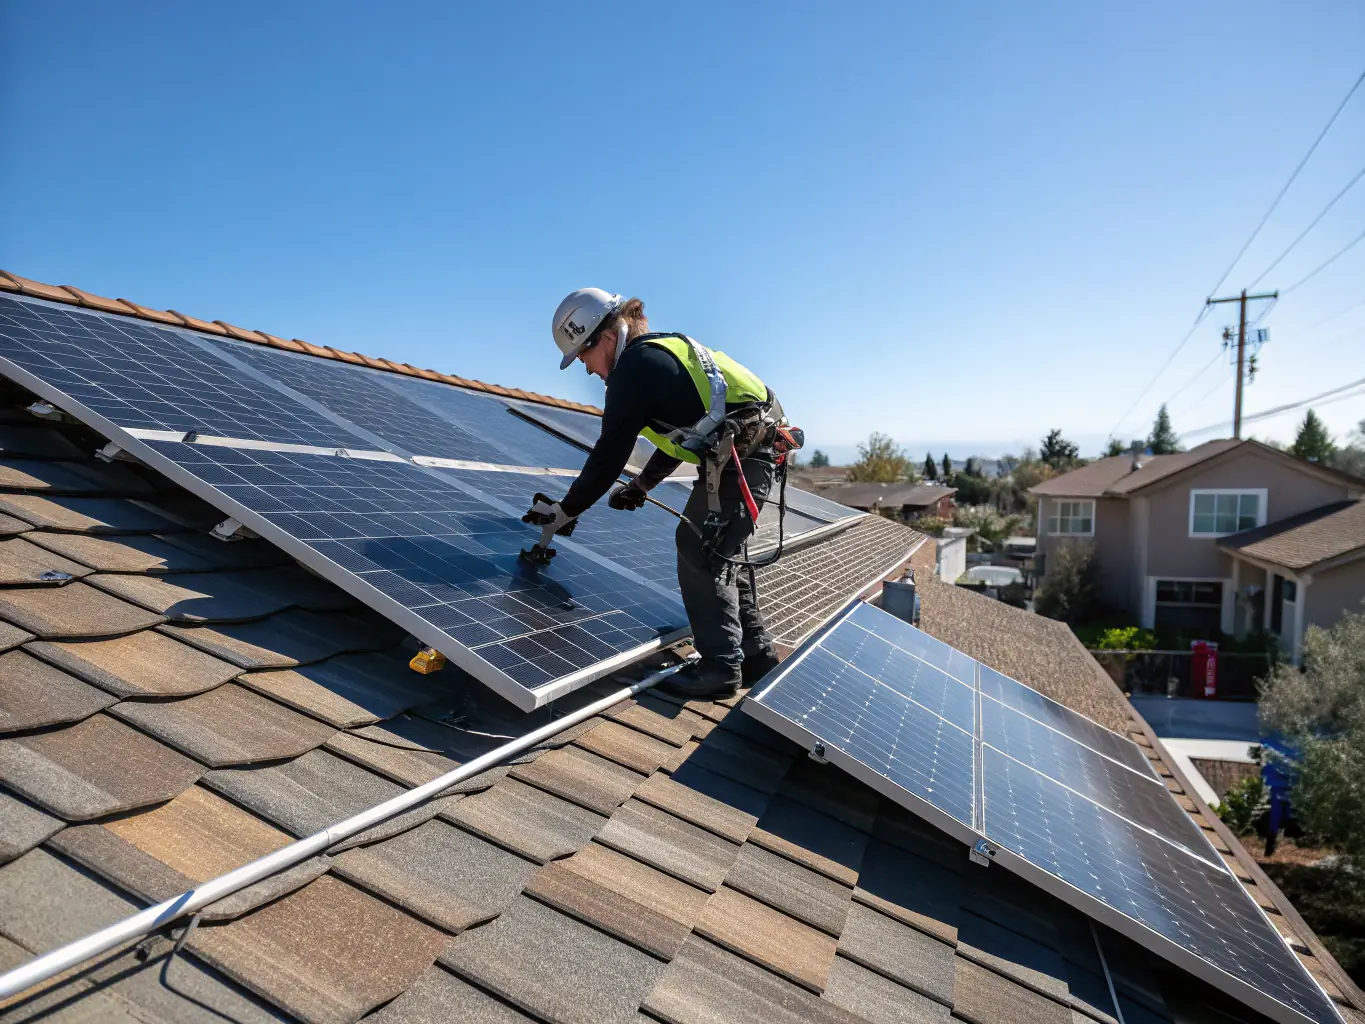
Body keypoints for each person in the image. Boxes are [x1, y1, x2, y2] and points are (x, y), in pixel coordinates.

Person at [524, 287, 782, 699]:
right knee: (720, 547)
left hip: (745, 454)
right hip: (749, 449)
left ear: (605, 338)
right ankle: (756, 656)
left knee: (700, 546)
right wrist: (641, 486)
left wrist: (565, 510)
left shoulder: (635, 368)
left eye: (583, 358)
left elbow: (609, 454)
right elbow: (688, 434)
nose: (588, 371)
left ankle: (720, 668)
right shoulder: (657, 356)